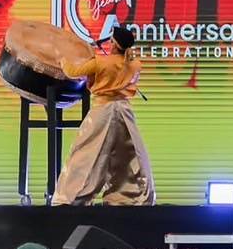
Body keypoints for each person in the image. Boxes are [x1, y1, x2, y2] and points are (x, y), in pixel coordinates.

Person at [51, 24, 155, 206]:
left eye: (111, 41)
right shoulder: (135, 64)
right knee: (128, 155)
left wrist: (62, 59)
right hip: (124, 111)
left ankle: (71, 197)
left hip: (102, 111)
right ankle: (127, 197)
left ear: (114, 44)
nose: (109, 43)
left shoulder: (100, 62)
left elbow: (72, 72)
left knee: (86, 152)